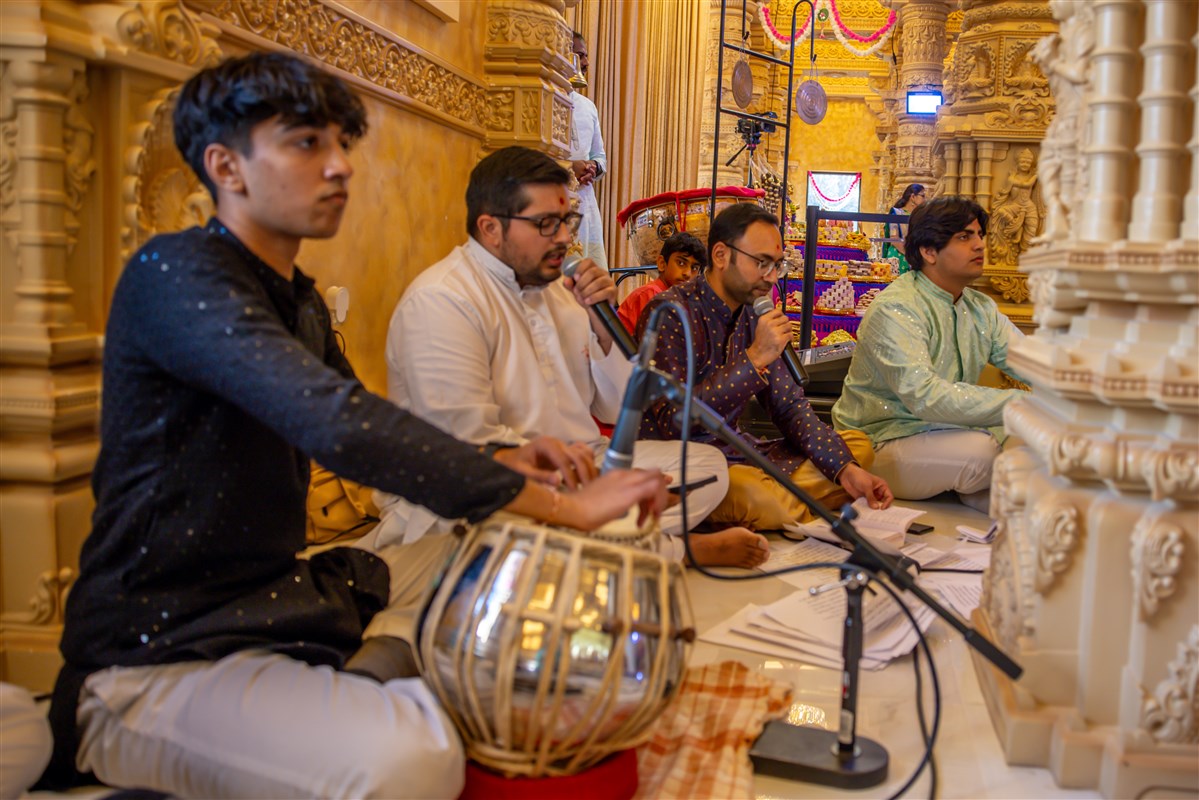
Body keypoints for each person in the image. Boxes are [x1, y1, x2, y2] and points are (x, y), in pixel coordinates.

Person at [42, 53, 668, 799]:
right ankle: (135, 740)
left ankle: (372, 682)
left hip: (280, 598)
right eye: (307, 144)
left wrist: (508, 462)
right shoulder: (175, 274)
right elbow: (338, 423)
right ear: (225, 166)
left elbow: (369, 424)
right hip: (162, 647)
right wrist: (561, 504)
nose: (339, 165)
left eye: (341, 143)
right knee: (415, 761)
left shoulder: (296, 298)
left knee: (495, 563)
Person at [374, 146, 773, 569]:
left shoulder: (565, 296)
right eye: (547, 224)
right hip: (496, 483)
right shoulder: (443, 301)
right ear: (490, 228)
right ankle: (675, 551)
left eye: (568, 221)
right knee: (497, 518)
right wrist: (579, 490)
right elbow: (470, 454)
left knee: (705, 468)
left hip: (585, 463)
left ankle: (606, 543)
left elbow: (616, 407)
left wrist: (602, 324)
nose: (565, 239)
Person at [639, 203, 894, 532]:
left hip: (739, 452)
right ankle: (788, 504)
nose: (772, 277)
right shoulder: (668, 312)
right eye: (762, 263)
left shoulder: (752, 312)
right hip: (682, 465)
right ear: (721, 255)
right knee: (756, 495)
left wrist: (845, 469)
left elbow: (789, 406)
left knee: (857, 447)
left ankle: (789, 504)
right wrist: (754, 358)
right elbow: (674, 422)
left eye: (776, 265)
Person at [833, 196, 1027, 514]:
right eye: (964, 237)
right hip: (881, 441)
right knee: (985, 453)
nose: (979, 245)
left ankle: (988, 500)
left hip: (947, 433)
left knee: (1039, 444)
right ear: (928, 251)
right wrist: (1023, 406)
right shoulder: (897, 307)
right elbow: (925, 397)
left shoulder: (980, 308)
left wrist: (1083, 385)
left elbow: (1031, 360)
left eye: (980, 235)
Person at [569, 32, 608, 270]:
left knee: (589, 280)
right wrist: (569, 167)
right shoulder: (542, 96)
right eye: (580, 55)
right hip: (553, 199)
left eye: (586, 57)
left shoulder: (587, 106)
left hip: (584, 201)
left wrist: (592, 167)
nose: (585, 63)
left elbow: (599, 156)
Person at [618, 231, 706, 333]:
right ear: (662, 263)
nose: (687, 273)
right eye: (681, 263)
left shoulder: (687, 301)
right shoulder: (651, 295)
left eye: (694, 268)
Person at [883, 183, 926, 274]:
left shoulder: (919, 216)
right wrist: (909, 255)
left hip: (915, 258)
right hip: (899, 257)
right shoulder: (896, 213)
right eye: (922, 196)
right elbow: (894, 239)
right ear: (913, 197)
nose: (924, 200)